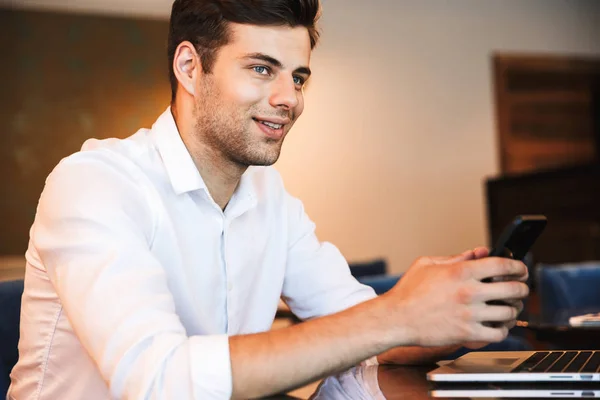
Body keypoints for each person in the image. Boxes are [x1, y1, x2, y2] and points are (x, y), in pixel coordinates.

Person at [8, 0, 529, 399]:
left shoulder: (270, 198)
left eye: (298, 76)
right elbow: (159, 381)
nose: (290, 98)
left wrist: (455, 311)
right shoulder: (94, 183)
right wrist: (397, 314)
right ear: (189, 67)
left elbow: (371, 331)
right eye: (262, 68)